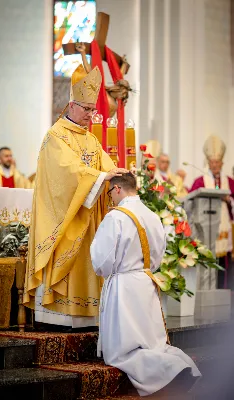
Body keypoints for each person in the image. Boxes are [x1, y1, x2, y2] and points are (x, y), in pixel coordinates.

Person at [23, 64, 127, 330]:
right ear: (71, 105)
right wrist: (99, 177)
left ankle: (87, 317)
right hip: (64, 219)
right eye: (86, 109)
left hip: (88, 218)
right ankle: (57, 317)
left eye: (93, 110)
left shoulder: (91, 139)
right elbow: (66, 174)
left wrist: (116, 175)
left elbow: (104, 166)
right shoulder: (55, 136)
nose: (90, 116)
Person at [90, 172, 201, 397]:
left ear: (118, 189)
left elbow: (102, 261)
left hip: (124, 287)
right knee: (151, 343)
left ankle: (170, 369)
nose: (110, 198)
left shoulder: (116, 217)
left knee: (123, 351)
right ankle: (179, 363)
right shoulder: (152, 215)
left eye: (110, 192)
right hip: (146, 282)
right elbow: (158, 256)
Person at [190, 135, 234, 289]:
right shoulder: (199, 182)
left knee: (223, 265)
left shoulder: (230, 182)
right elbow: (191, 203)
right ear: (208, 162)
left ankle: (223, 293)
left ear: (222, 163)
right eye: (212, 162)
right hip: (205, 230)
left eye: (217, 162)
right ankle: (205, 293)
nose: (215, 165)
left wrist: (229, 200)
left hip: (224, 230)